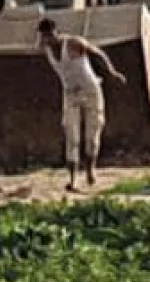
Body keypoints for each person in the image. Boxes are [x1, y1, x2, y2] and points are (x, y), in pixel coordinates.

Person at [38, 17, 126, 191]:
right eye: (43, 37)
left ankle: (90, 171)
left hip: (91, 90)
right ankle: (72, 179)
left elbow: (97, 53)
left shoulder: (72, 43)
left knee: (92, 135)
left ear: (55, 33)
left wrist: (112, 72)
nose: (46, 40)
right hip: (70, 94)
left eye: (48, 36)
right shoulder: (46, 49)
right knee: (72, 135)